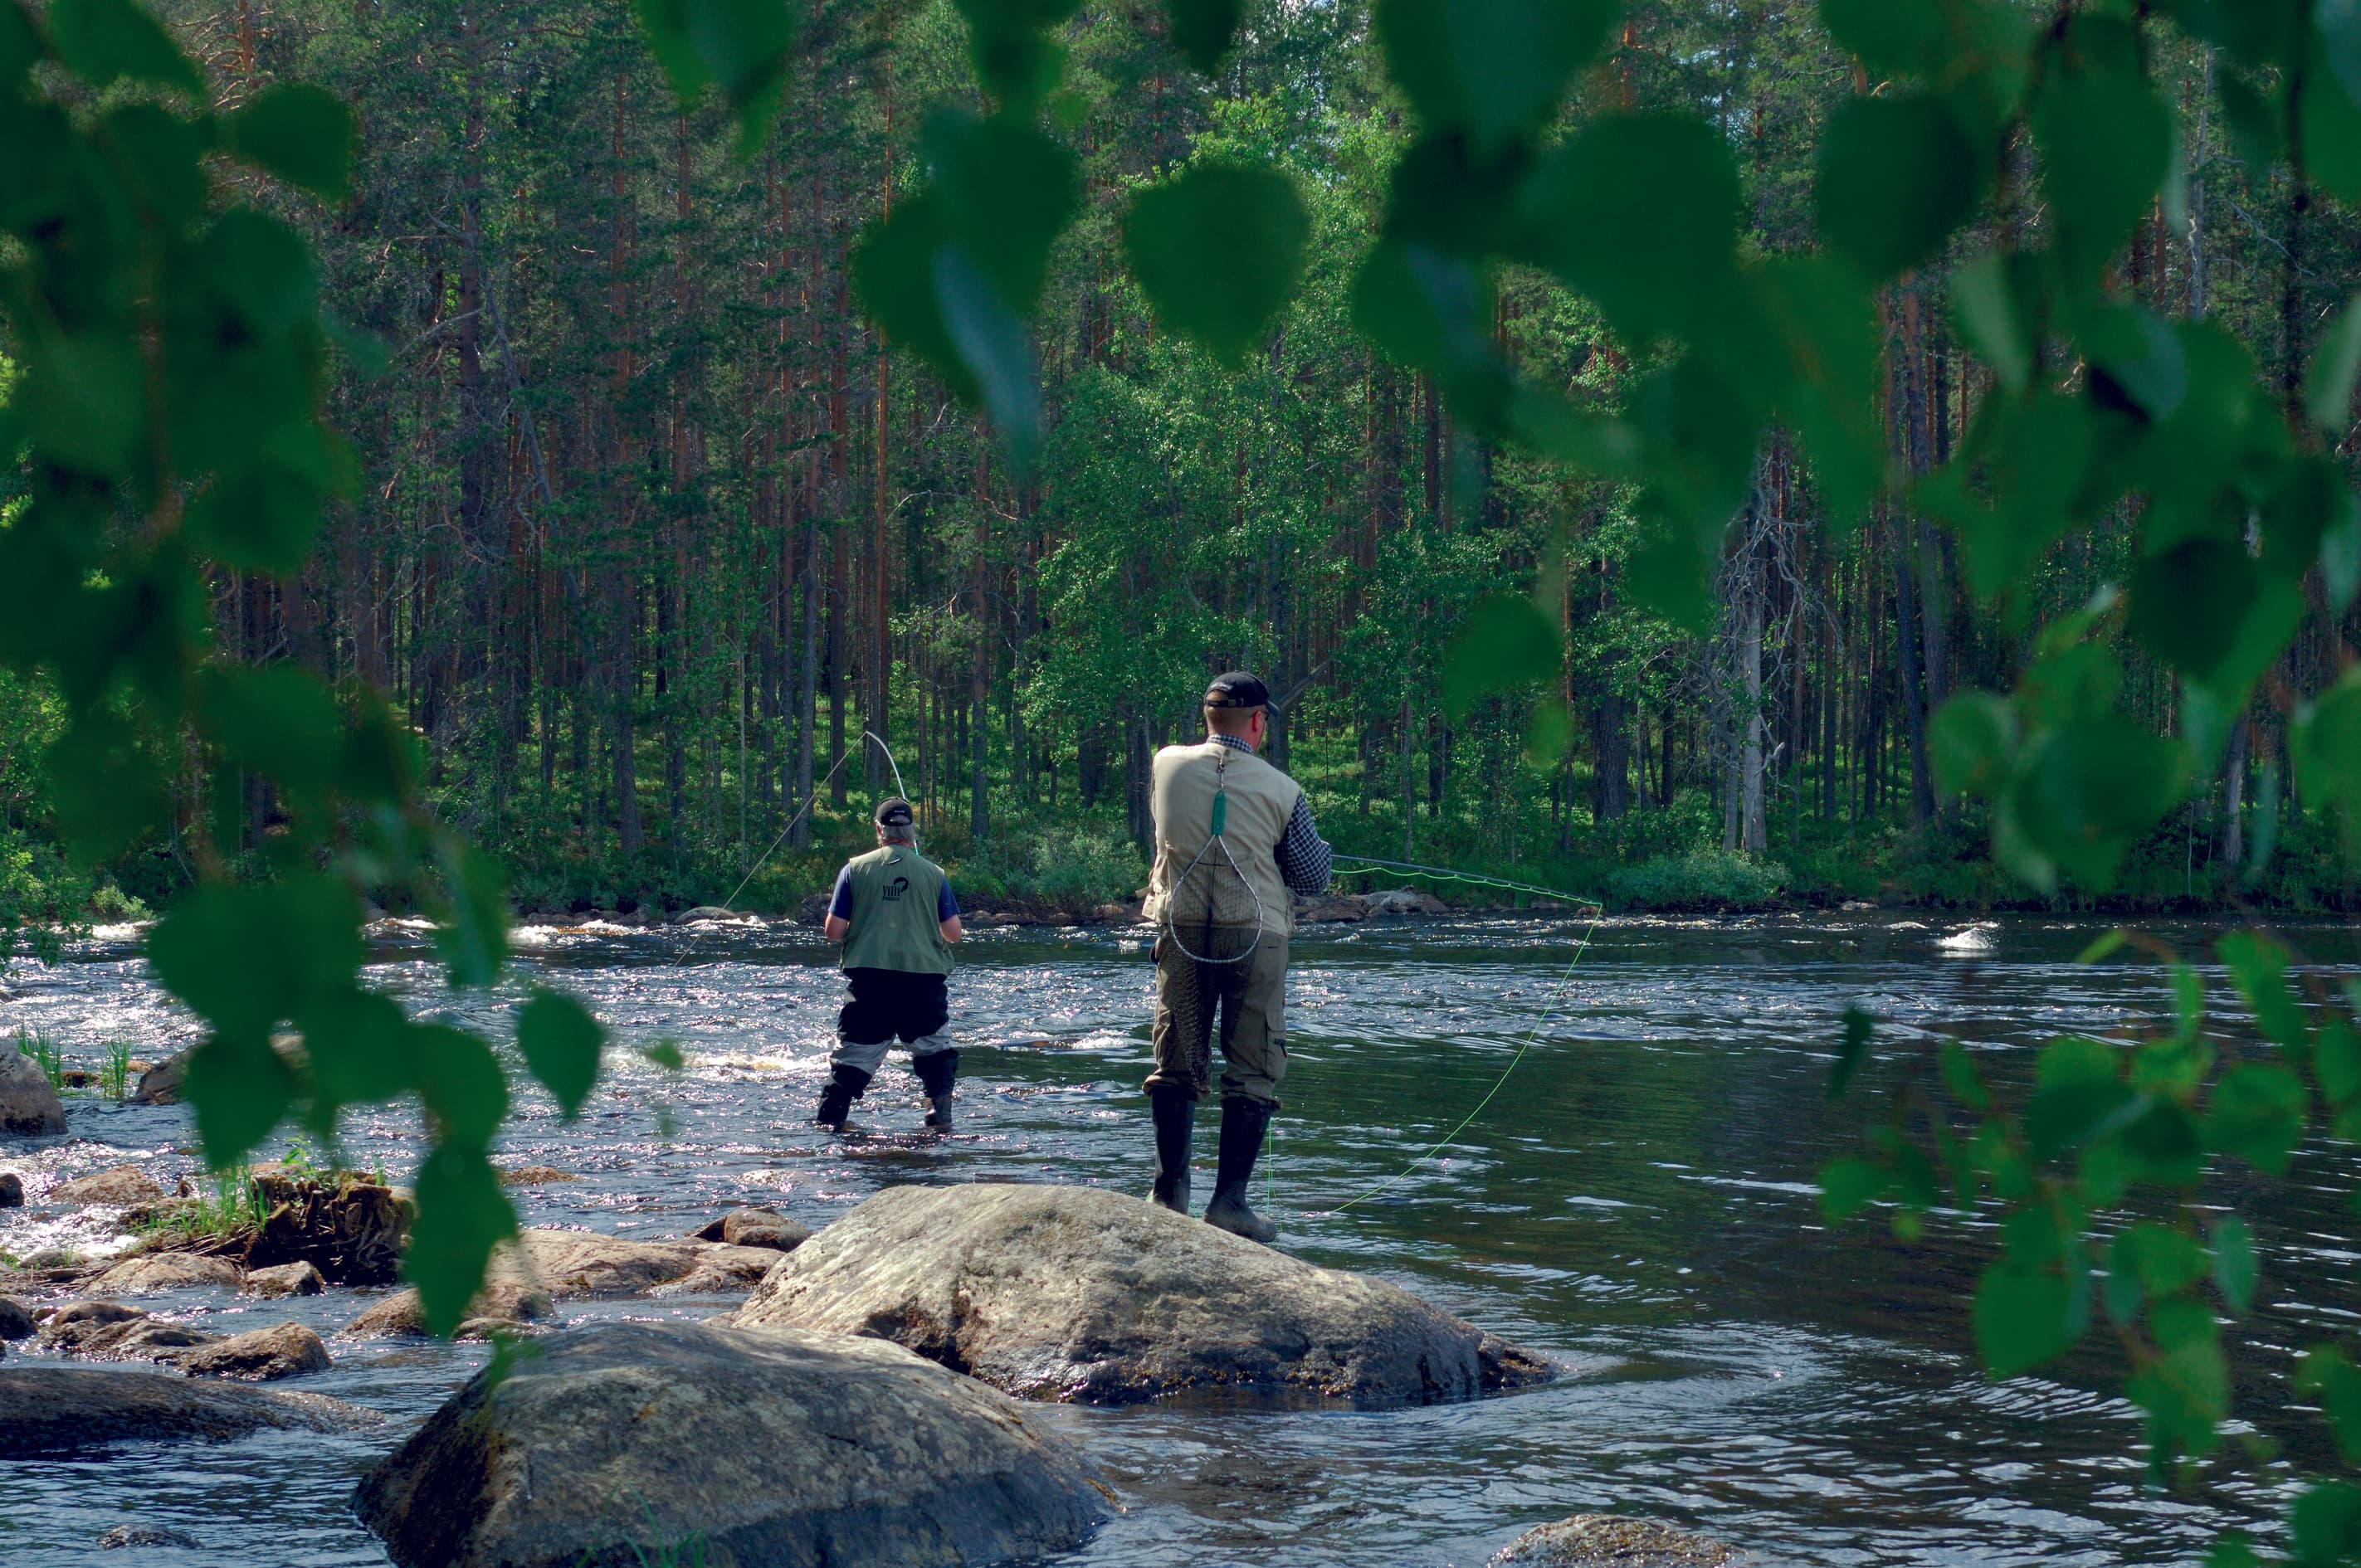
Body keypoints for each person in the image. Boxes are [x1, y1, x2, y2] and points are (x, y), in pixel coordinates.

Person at [1139, 670, 1333, 1242]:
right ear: (1257, 721)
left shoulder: (1164, 763)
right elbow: (1312, 876)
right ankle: (1229, 1205)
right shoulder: (1282, 788)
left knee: (1176, 1054)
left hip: (1180, 926)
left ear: (1207, 717)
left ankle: (1167, 1193)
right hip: (1255, 932)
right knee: (1251, 1066)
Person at [814, 797, 964, 1133]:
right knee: (935, 1053)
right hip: (922, 981)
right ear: (912, 832)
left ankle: (828, 1130)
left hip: (870, 982)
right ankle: (939, 1120)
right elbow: (953, 934)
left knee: (851, 1061)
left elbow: (833, 931)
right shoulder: (934, 874)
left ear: (879, 830)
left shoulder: (854, 869)